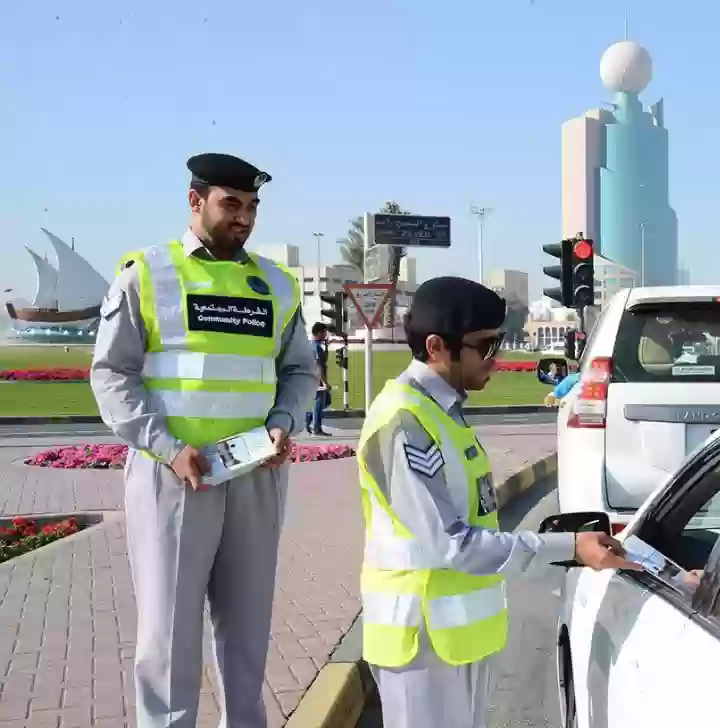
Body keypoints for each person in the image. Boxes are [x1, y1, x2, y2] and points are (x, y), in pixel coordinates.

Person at [90, 152, 319, 727]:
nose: (243, 217)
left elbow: (299, 371)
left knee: (247, 627)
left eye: (252, 207)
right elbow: (111, 374)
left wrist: (284, 423)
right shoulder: (146, 274)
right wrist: (167, 447)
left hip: (255, 476)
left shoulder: (276, 285)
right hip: (175, 478)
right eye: (231, 204)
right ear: (195, 202)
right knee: (168, 634)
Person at [356, 276, 639, 728]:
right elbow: (452, 545)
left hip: (455, 641)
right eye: (486, 346)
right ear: (436, 347)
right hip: (420, 642)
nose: (497, 358)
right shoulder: (403, 422)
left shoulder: (440, 412)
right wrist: (568, 548)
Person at [306, 322, 331, 435]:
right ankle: (316, 428)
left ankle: (308, 418)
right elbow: (318, 366)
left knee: (326, 401)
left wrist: (326, 346)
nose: (326, 334)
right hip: (317, 380)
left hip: (313, 378)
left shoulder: (313, 345)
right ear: (319, 333)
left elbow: (324, 359)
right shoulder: (316, 347)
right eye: (324, 332)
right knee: (319, 404)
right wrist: (324, 382)